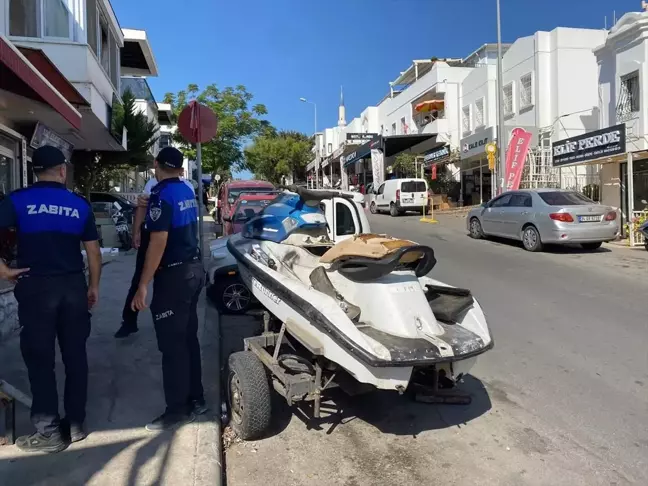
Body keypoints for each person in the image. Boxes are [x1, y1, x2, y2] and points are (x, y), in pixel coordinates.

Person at [0, 145, 102, 453]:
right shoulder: (78, 205)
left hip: (36, 289)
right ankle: (76, 424)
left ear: (34, 172)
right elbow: (94, 252)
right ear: (61, 170)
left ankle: (49, 432)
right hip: (72, 286)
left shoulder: (16, 201)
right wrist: (93, 286)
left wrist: (4, 270)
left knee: (40, 359)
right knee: (75, 356)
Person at [131, 147, 206, 430]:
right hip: (192, 271)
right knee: (188, 339)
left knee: (173, 347)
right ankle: (196, 398)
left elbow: (158, 241)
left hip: (174, 277)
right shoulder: (186, 191)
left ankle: (177, 409)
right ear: (180, 168)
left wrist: (143, 284)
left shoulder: (162, 196)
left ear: (156, 165)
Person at [114, 174, 195, 338]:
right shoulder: (152, 183)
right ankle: (129, 321)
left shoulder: (186, 186)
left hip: (172, 239)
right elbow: (141, 207)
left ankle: (171, 320)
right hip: (151, 235)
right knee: (139, 279)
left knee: (168, 282)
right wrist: (136, 231)